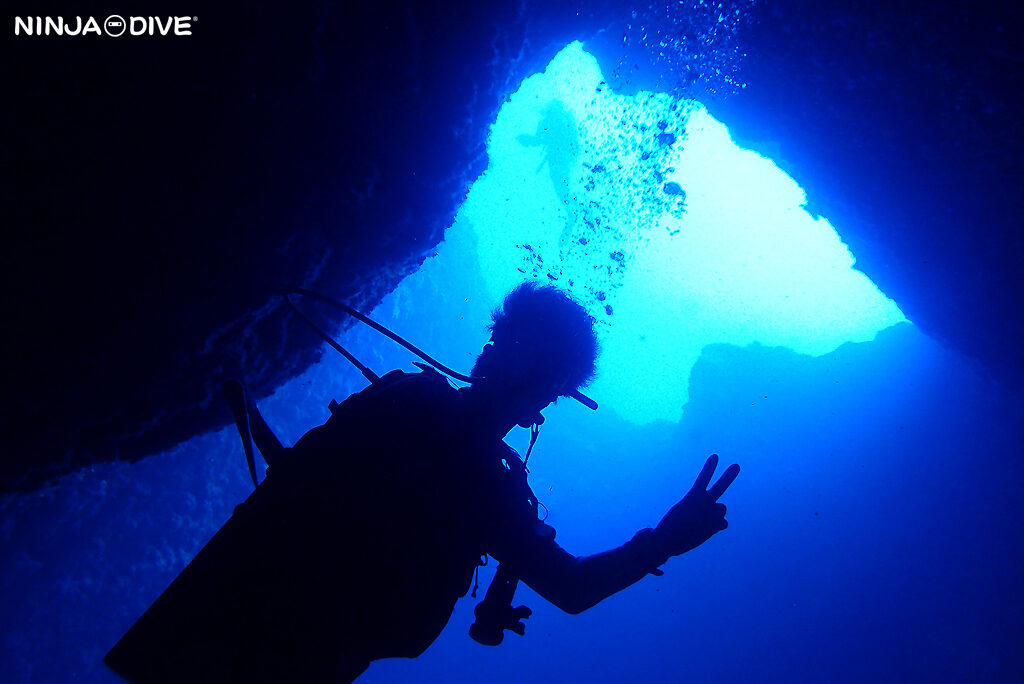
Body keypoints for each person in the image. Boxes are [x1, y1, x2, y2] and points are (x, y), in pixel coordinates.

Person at [105, 282, 739, 683]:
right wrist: (663, 540)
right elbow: (571, 589)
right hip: (290, 652)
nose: (499, 357)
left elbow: (297, 473)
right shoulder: (488, 482)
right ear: (550, 397)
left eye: (507, 344)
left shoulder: (410, 401)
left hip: (217, 615)